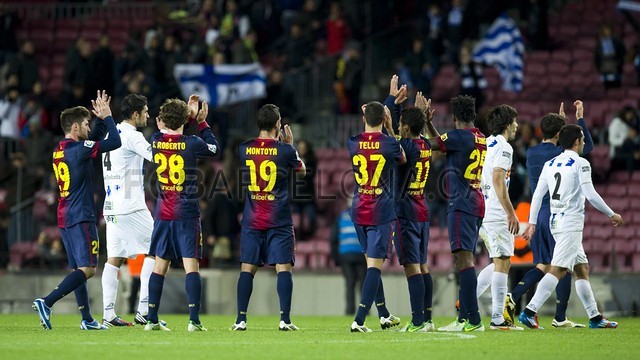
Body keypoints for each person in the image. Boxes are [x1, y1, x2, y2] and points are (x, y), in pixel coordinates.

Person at [101, 94, 197, 327]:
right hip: (131, 207)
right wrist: (181, 122)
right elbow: (161, 152)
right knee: (158, 252)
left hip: (111, 206)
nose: (149, 116)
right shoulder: (133, 136)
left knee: (114, 259)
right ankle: (144, 310)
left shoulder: (110, 133)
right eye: (145, 111)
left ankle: (108, 314)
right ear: (135, 115)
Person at [32, 91, 122, 330]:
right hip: (81, 214)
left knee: (78, 268)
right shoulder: (79, 149)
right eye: (85, 124)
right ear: (74, 127)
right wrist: (109, 118)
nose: (87, 126)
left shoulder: (60, 149)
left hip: (64, 215)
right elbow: (115, 142)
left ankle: (87, 319)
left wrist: (100, 120)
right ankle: (47, 301)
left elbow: (91, 141)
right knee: (88, 269)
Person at [519, 124, 623, 329]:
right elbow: (591, 194)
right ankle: (529, 311)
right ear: (577, 142)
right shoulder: (581, 163)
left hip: (555, 221)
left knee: (581, 268)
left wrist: (532, 222)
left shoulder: (550, 164)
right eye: (583, 139)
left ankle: (594, 317)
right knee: (558, 270)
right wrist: (612, 214)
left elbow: (538, 195)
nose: (584, 142)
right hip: (571, 222)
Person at [505, 101, 593, 328]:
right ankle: (560, 316)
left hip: (539, 214)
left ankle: (513, 296)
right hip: (557, 213)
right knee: (562, 266)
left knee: (545, 264)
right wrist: (577, 121)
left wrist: (561, 125)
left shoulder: (532, 152)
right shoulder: (558, 154)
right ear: (559, 134)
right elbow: (587, 147)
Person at [144, 98, 219, 332]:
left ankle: (151, 319)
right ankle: (194, 320)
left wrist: (185, 116)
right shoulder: (192, 143)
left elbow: (167, 131)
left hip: (163, 212)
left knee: (159, 266)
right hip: (186, 211)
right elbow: (215, 148)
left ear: (162, 121)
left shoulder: (155, 140)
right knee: (191, 266)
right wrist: (201, 121)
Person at [230, 104, 306, 331]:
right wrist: (290, 147)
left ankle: (241, 319)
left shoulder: (244, 148)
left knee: (247, 268)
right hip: (279, 219)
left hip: (252, 219)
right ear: (278, 124)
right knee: (283, 268)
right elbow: (301, 170)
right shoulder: (285, 150)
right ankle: (285, 320)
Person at [423, 95, 486, 332]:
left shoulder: (458, 137)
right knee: (463, 259)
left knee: (464, 260)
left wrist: (421, 121)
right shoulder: (479, 137)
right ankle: (464, 319)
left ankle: (474, 320)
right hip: (475, 201)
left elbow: (431, 145)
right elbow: (442, 141)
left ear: (454, 117)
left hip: (461, 203)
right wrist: (430, 125)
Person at [347, 101, 406, 333]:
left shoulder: (352, 142)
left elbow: (366, 132)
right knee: (374, 267)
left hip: (359, 209)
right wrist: (391, 128)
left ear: (364, 119)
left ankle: (383, 314)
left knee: (371, 263)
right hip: (380, 212)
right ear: (384, 119)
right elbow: (402, 159)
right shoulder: (390, 144)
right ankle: (359, 320)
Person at [389, 89, 436, 333]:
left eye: (401, 124)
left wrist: (391, 109)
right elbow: (404, 135)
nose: (398, 127)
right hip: (421, 210)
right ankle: (427, 319)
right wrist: (420, 115)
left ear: (406, 127)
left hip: (405, 212)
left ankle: (417, 321)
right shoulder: (425, 144)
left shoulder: (405, 146)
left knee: (412, 266)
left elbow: (391, 141)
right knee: (423, 265)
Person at [474, 104, 523, 330]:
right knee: (503, 262)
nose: (517, 126)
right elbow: (497, 179)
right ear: (506, 124)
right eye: (514, 121)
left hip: (483, 209)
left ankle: (467, 300)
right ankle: (497, 318)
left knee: (500, 261)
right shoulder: (504, 147)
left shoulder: (484, 143)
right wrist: (510, 213)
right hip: (496, 212)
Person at [330, 198, 366, 315]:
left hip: (346, 255)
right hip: (361, 255)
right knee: (363, 284)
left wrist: (336, 258)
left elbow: (333, 238)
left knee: (350, 284)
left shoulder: (342, 216)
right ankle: (364, 311)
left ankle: (350, 311)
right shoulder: (364, 216)